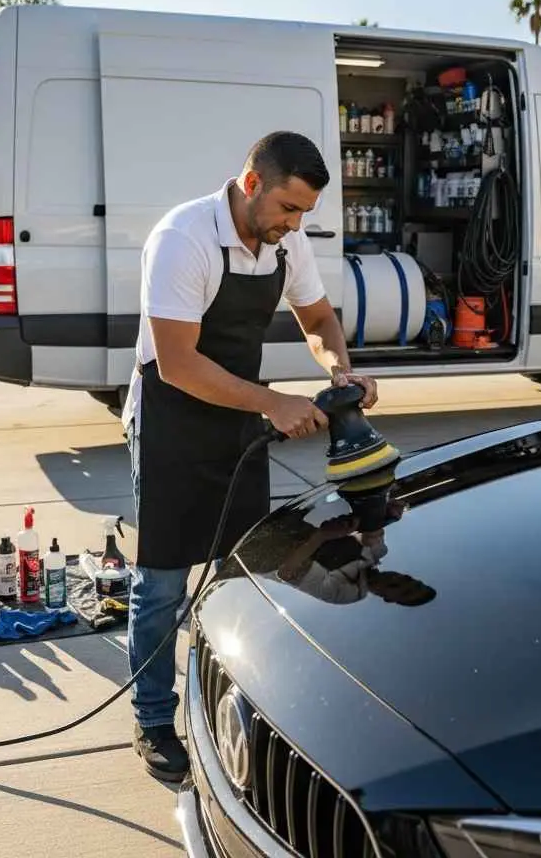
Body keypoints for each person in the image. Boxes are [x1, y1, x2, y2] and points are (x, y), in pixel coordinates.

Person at [120, 130, 378, 781]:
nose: (295, 225)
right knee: (160, 584)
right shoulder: (184, 238)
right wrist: (271, 402)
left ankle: (230, 703)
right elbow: (177, 364)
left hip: (237, 422)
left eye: (304, 215)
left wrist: (342, 372)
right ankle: (153, 720)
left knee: (243, 574)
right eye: (289, 209)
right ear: (252, 183)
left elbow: (318, 321)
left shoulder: (284, 243)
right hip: (172, 420)